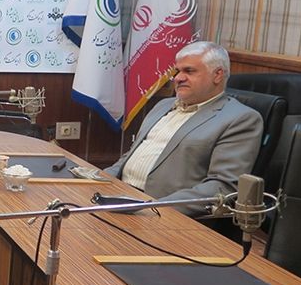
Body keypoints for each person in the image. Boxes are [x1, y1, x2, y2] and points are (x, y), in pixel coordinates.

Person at [104, 40, 262, 216]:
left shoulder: (240, 119)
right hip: (120, 196)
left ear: (217, 75)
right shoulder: (163, 105)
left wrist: (151, 207)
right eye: (177, 71)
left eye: (189, 71)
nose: (178, 78)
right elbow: (130, 156)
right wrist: (98, 179)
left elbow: (222, 186)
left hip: (162, 212)